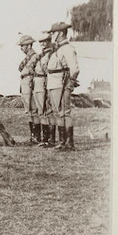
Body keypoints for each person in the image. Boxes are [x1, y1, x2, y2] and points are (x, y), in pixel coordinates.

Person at [46, 21, 80, 151]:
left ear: (60, 33)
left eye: (53, 32)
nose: (52, 35)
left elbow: (75, 69)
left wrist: (69, 85)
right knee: (58, 113)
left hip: (61, 83)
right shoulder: (59, 48)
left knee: (64, 113)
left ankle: (68, 143)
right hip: (54, 83)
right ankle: (62, 142)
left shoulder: (67, 49)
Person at [33, 33, 56, 147]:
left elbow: (48, 72)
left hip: (43, 83)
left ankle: (50, 139)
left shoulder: (50, 55)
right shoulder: (42, 55)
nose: (42, 44)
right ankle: (45, 138)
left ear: (49, 41)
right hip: (38, 83)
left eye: (44, 42)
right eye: (40, 42)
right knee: (41, 111)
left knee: (47, 111)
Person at [17, 34, 39, 144]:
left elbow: (28, 69)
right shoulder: (28, 57)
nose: (21, 48)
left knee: (33, 109)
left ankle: (36, 136)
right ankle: (33, 136)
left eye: (23, 46)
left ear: (29, 45)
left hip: (30, 84)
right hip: (25, 85)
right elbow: (20, 67)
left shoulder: (34, 57)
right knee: (29, 111)